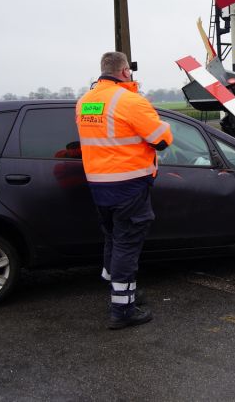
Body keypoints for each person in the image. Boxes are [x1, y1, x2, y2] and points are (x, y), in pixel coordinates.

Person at [76, 52, 173, 330]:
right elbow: (161, 140)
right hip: (129, 186)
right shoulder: (130, 101)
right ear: (125, 72)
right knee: (127, 246)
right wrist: (160, 121)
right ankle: (122, 310)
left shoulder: (85, 102)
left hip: (98, 185)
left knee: (113, 240)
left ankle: (119, 291)